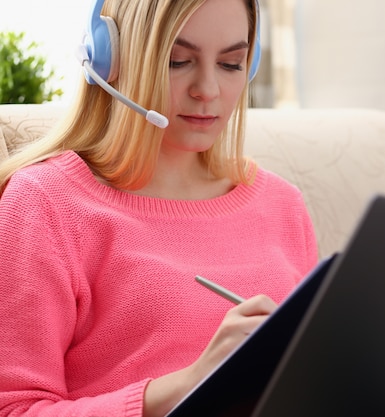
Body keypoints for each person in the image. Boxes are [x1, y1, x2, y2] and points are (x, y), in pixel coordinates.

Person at [0, 0, 318, 416]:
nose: (207, 89)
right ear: (112, 60)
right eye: (178, 60)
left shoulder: (282, 204)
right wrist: (190, 383)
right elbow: (15, 408)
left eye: (231, 63)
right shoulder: (45, 203)